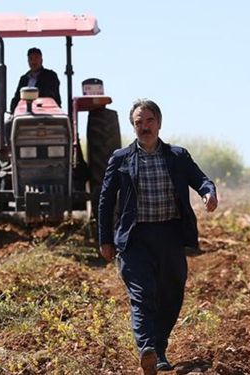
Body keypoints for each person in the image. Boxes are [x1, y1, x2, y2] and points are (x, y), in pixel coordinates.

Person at [98, 99, 218, 374]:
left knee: (172, 293)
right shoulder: (121, 159)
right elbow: (105, 200)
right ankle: (146, 348)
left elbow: (200, 179)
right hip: (134, 237)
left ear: (159, 123)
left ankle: (159, 348)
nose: (144, 127)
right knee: (142, 295)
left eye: (149, 121)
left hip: (170, 234)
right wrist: (105, 239)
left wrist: (208, 193)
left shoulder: (176, 156)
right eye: (138, 122)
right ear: (133, 126)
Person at [9, 47, 61, 113]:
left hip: (46, 112)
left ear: (41, 60)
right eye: (31, 59)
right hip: (24, 113)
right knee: (7, 123)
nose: (33, 61)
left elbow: (51, 94)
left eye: (36, 58)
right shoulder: (24, 79)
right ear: (28, 61)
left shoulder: (50, 76)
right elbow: (17, 98)